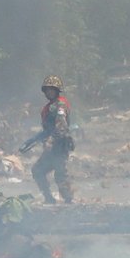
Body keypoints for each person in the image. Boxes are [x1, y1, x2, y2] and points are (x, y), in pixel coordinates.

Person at [21, 75, 75, 204]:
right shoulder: (49, 107)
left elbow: (61, 127)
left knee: (60, 175)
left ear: (57, 90)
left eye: (52, 89)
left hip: (59, 146)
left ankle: (69, 202)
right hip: (51, 148)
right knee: (38, 170)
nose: (49, 92)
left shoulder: (60, 105)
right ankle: (49, 198)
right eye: (47, 90)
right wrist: (32, 140)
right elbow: (47, 130)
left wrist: (50, 140)